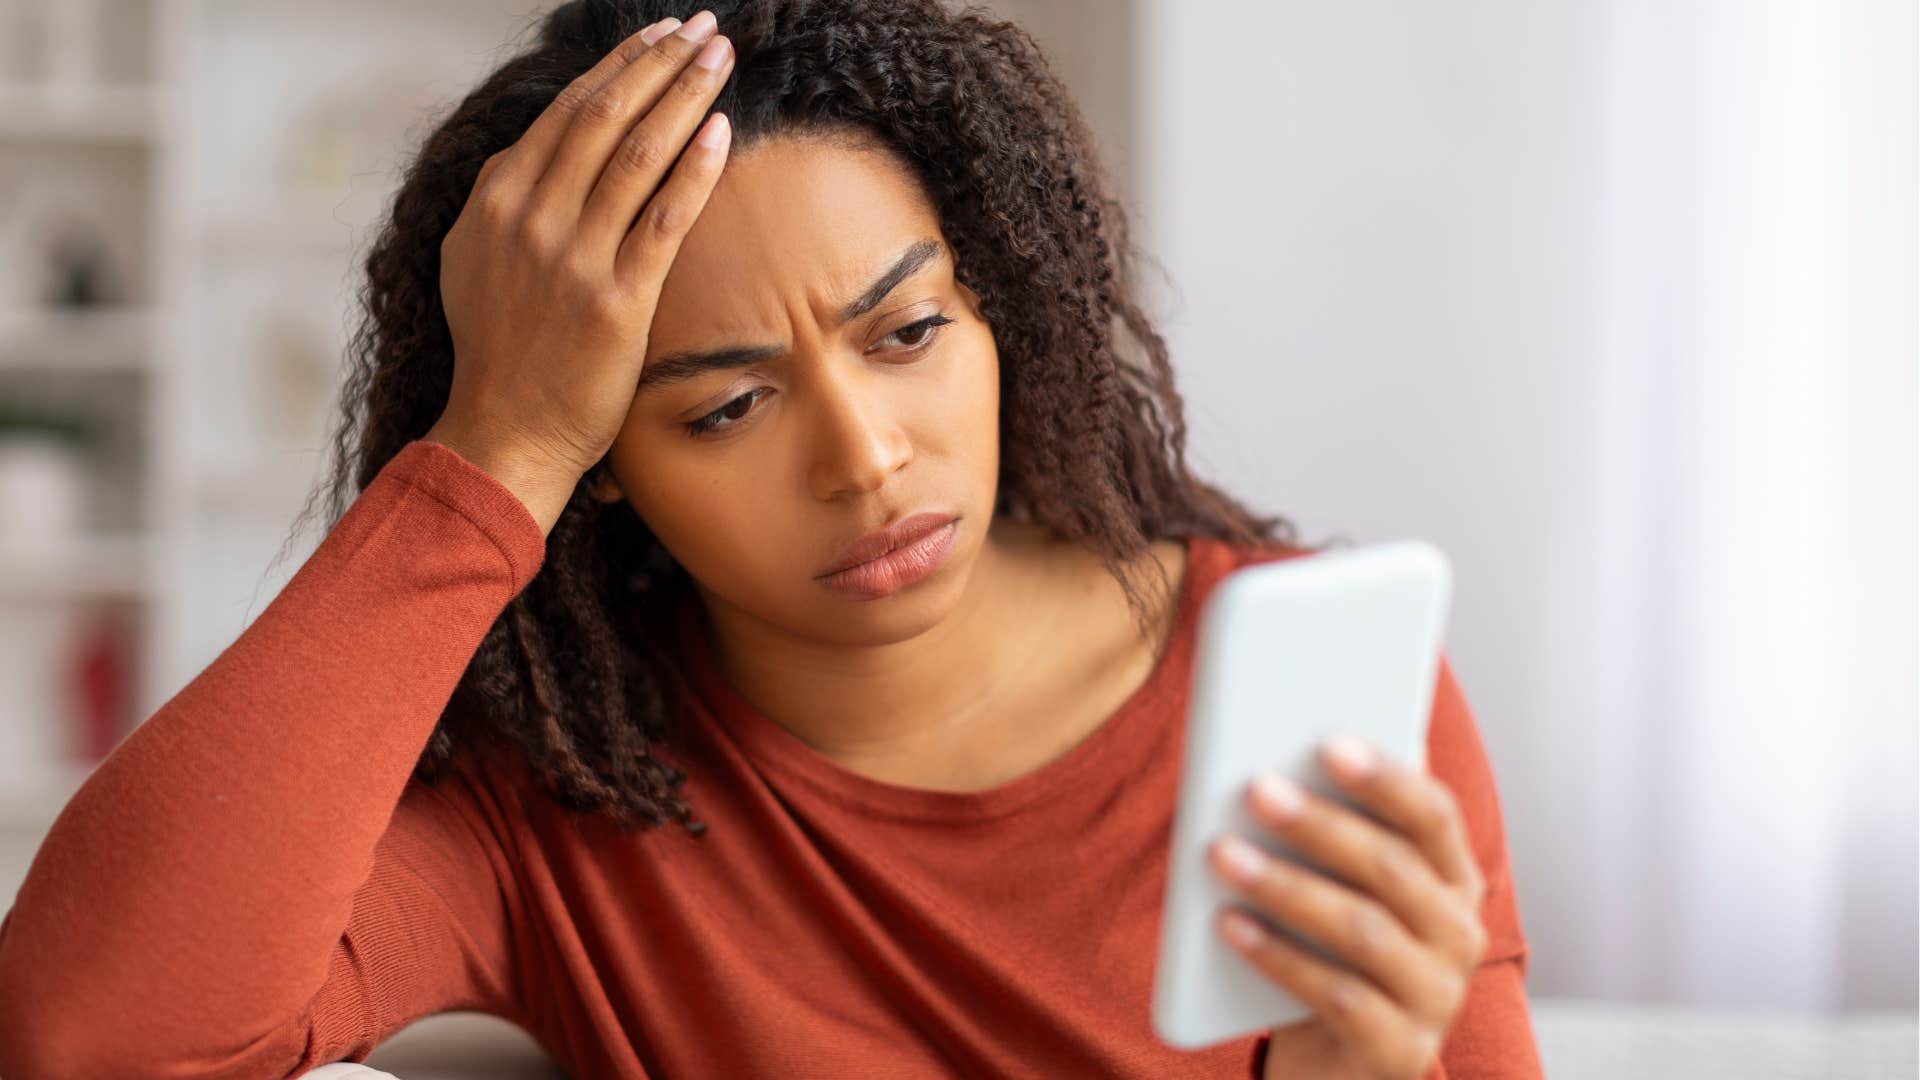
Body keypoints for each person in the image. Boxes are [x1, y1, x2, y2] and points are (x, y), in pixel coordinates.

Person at [0, 2, 1540, 1077]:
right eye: (724, 410)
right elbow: (94, 1040)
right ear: (602, 462)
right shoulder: (564, 810)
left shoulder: (1313, 693)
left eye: (911, 331)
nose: (866, 459)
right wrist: (492, 451)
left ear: (999, 305)